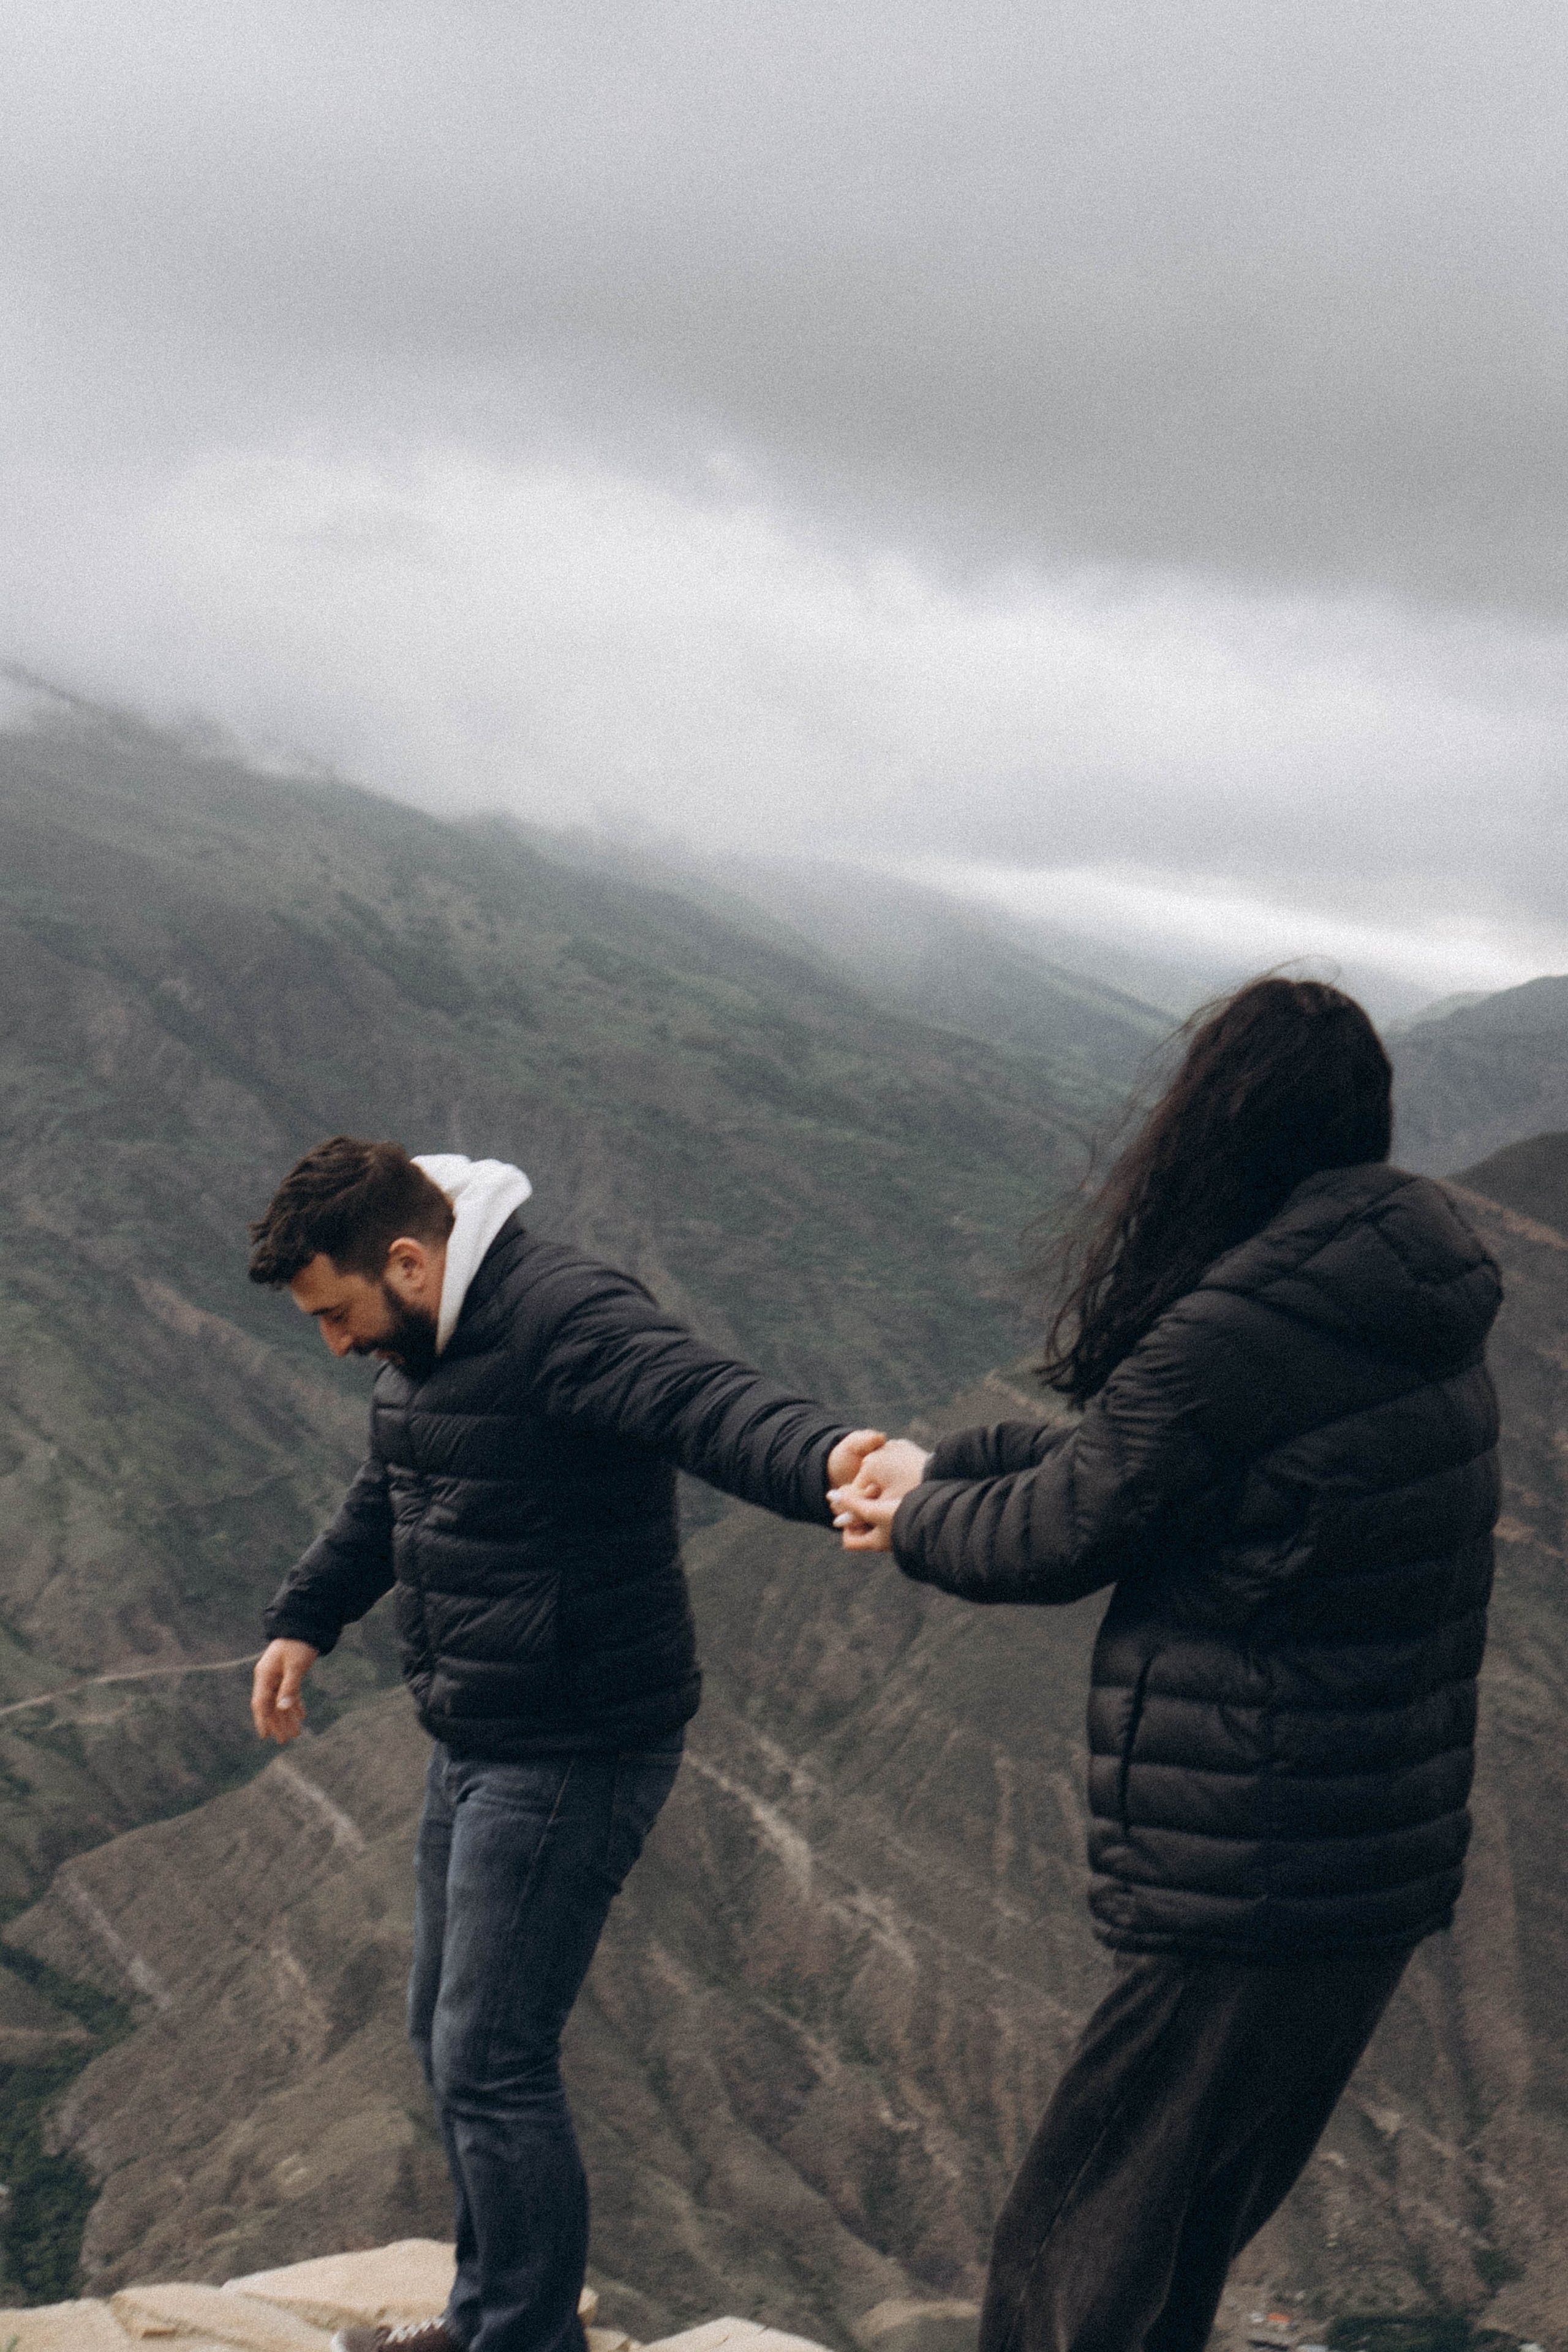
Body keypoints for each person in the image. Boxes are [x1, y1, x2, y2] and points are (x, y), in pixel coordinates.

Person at [829, 977, 1502, 2352]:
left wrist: (909, 1519)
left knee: (1070, 2251)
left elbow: (1061, 1532)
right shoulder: (1403, 1305)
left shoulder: (1235, 1331)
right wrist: (945, 1465)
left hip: (1248, 1862)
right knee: (1169, 2241)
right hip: (1366, 1866)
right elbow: (1135, 1474)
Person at [247, 1138, 883, 2352]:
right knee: (444, 2031)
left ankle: (519, 2337)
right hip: (480, 1733)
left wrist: (830, 1460)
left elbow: (708, 1403)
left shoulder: (562, 1317)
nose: (333, 1344)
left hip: (573, 1746)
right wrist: (305, 1619)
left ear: (407, 1259)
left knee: (489, 2057)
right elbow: (394, 1491)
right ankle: (491, 2315)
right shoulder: (424, 1343)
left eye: (338, 1314)